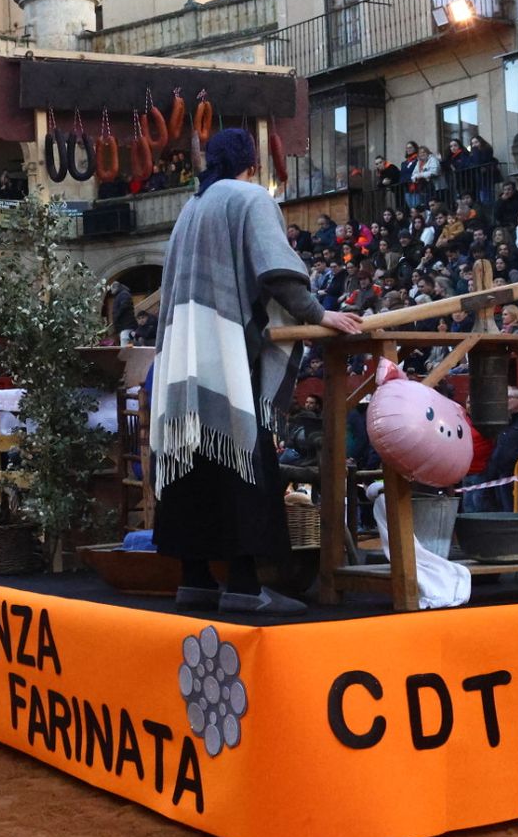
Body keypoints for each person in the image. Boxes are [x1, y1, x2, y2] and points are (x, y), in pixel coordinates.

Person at [151, 128, 362, 615]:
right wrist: (317, 313)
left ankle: (196, 578)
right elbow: (275, 270)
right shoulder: (248, 197)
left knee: (191, 460)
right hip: (224, 346)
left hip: (183, 350)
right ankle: (245, 585)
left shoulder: (191, 207)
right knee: (240, 456)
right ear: (251, 163)